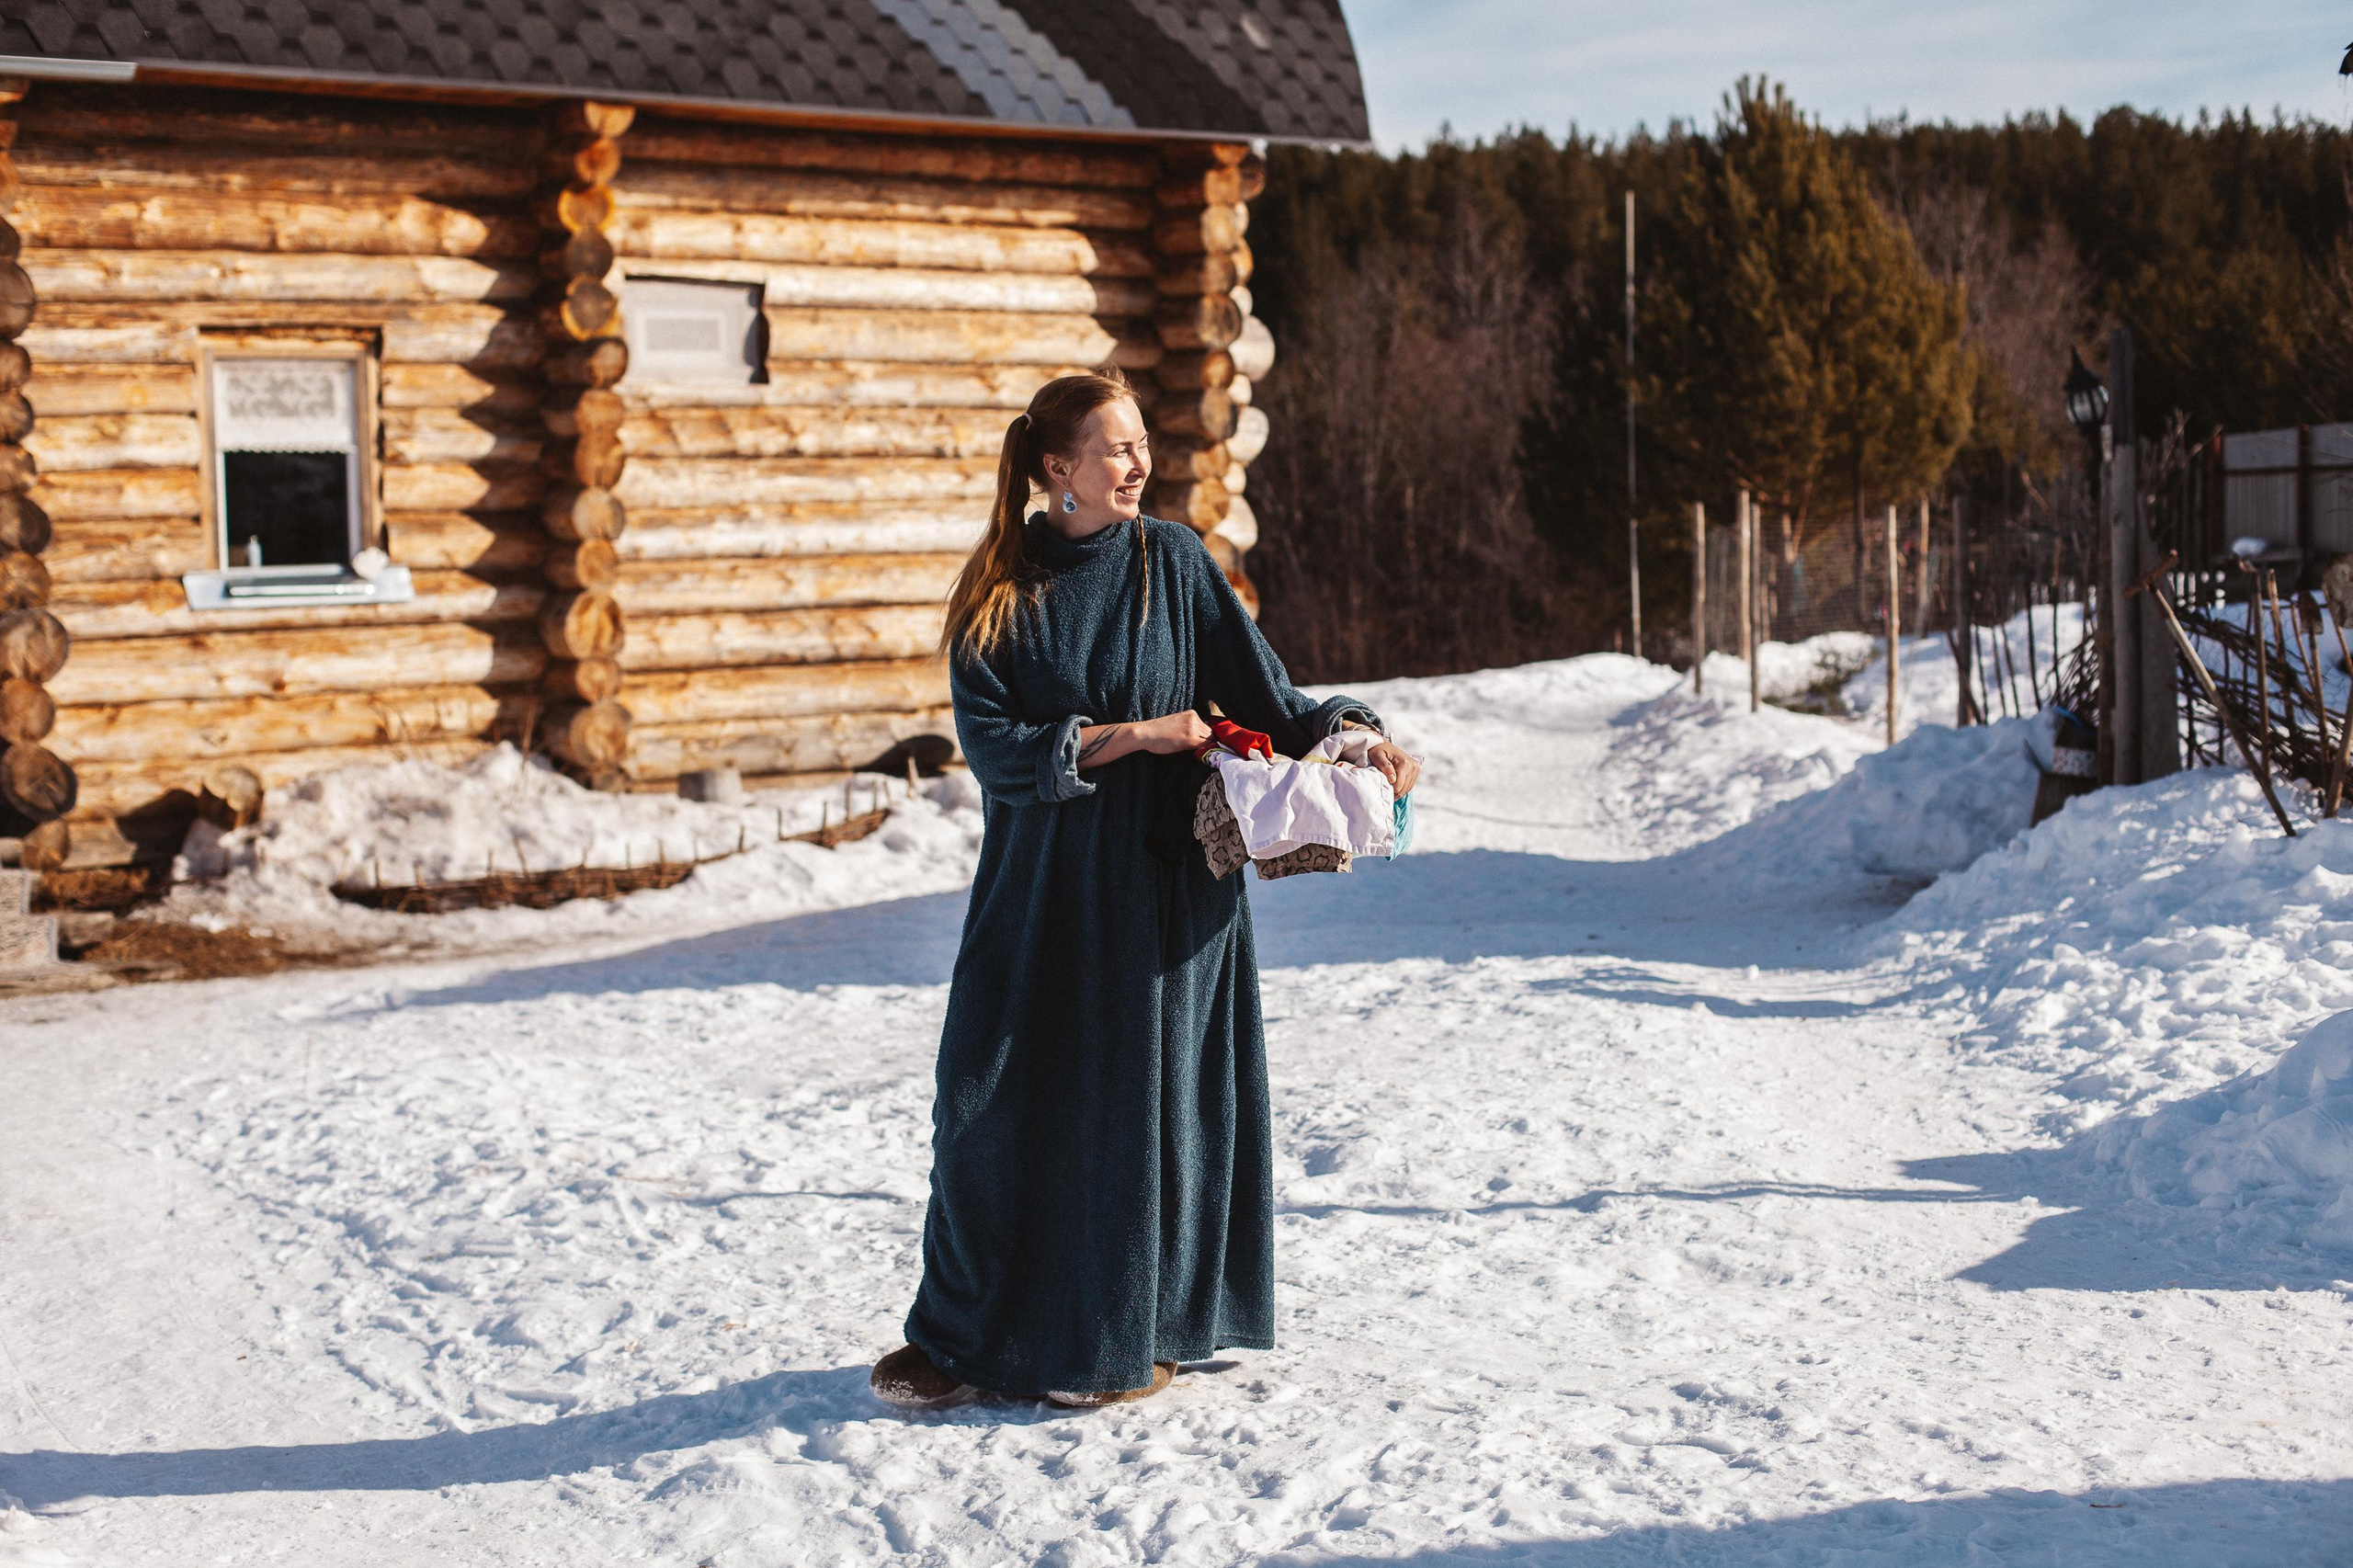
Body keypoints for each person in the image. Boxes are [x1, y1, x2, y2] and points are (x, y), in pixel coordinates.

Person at [870, 369, 1418, 1410]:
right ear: (1053, 468)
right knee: (984, 1103)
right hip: (1037, 894)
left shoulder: (1171, 561)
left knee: (1140, 1112)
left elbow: (1271, 694)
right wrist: (1140, 733)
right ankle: (959, 1332)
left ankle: (1139, 1332)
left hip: (1164, 889)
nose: (1137, 464)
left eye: (1137, 445)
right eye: (1114, 448)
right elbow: (995, 750)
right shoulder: (1000, 593)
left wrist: (1361, 734)